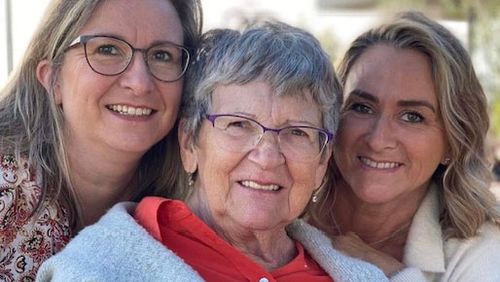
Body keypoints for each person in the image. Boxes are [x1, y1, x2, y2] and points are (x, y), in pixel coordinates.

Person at [36, 22, 391, 281]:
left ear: (321, 162)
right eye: (238, 125)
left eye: (297, 132)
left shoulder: (357, 274)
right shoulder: (102, 267)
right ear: (190, 142)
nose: (267, 156)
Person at [0, 0, 202, 280]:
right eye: (107, 49)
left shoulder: (192, 208)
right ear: (52, 79)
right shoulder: (7, 192)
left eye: (162, 55)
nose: (140, 82)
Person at [309, 11, 500, 281]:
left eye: (412, 116)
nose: (378, 140)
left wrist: (396, 274)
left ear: (452, 142)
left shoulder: (481, 254)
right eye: (362, 107)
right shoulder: (278, 213)